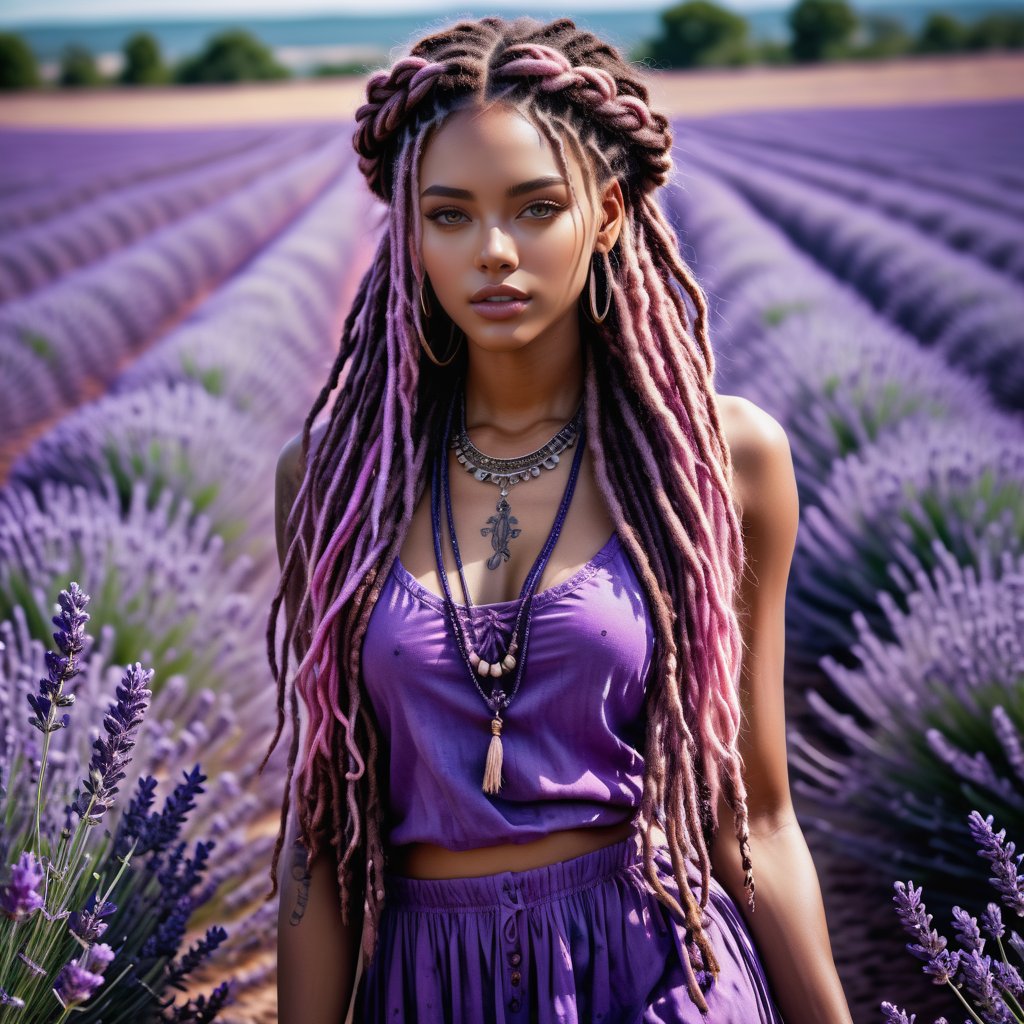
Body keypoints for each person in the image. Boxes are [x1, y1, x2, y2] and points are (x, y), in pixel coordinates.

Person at [264, 14, 854, 1024]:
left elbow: (750, 814)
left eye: (535, 208)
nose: (493, 251)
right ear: (409, 231)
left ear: (609, 210)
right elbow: (318, 840)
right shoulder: (335, 480)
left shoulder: (719, 460)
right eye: (449, 215)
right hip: (429, 985)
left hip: (657, 973)